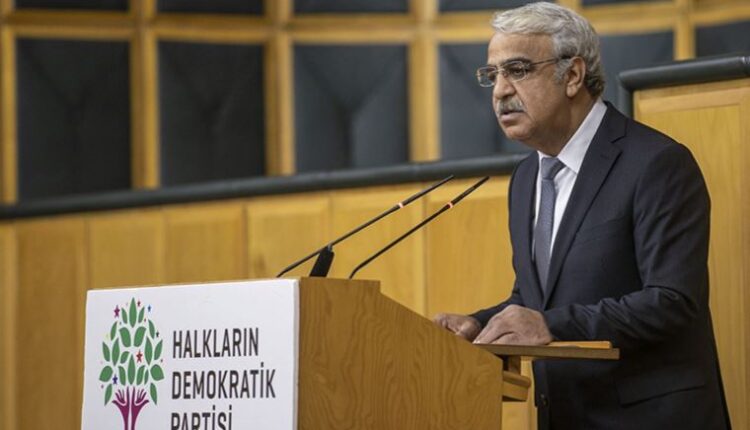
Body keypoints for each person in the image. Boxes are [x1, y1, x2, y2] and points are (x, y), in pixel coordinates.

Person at [432, 3, 731, 429]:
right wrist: (477, 325)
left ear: (572, 75)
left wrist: (548, 324)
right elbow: (536, 300)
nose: (499, 91)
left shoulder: (656, 163)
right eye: (492, 75)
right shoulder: (525, 178)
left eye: (517, 70)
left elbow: (672, 300)